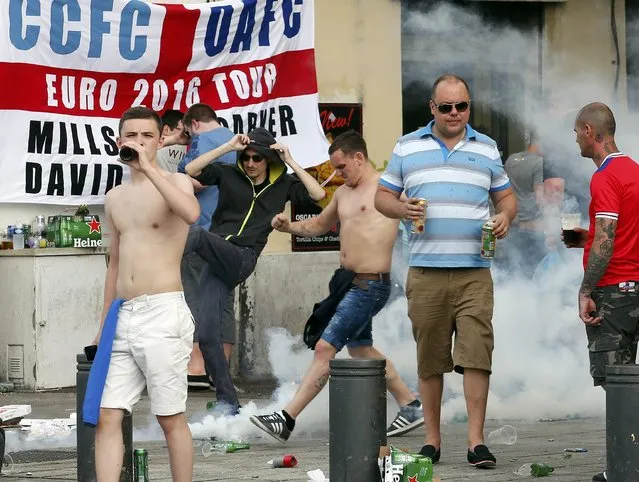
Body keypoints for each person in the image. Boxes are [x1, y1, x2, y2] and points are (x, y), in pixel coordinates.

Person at [375, 74, 517, 468]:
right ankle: (432, 441)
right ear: (432, 108)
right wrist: (402, 208)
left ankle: (476, 442)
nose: (455, 114)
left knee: (477, 355)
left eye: (462, 106)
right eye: (446, 107)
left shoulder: (487, 148)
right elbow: (382, 197)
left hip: (475, 270)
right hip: (425, 270)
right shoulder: (407, 145)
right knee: (431, 358)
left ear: (469, 106)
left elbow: (506, 197)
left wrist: (505, 216)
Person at [249, 131, 424, 442]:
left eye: (342, 167)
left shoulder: (387, 189)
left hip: (371, 285)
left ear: (359, 158)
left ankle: (286, 418)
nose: (338, 174)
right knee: (360, 349)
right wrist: (289, 226)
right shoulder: (344, 193)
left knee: (325, 348)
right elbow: (318, 225)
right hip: (348, 283)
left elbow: (418, 211)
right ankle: (410, 404)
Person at [91, 106, 200, 482]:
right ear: (119, 141)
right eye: (131, 136)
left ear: (160, 140)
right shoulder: (114, 197)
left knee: (170, 416)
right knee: (107, 414)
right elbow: (115, 264)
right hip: (125, 313)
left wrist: (151, 169)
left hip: (163, 310)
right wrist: (103, 323)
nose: (138, 142)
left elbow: (191, 213)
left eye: (147, 136)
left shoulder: (177, 182)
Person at [183, 127, 326, 413]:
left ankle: (154, 261)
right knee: (209, 333)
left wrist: (291, 161)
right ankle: (229, 406)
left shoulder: (283, 184)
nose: (249, 163)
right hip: (216, 260)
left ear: (268, 160)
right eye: (246, 157)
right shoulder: (228, 173)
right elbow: (191, 169)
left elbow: (318, 193)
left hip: (242, 257)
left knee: (195, 234)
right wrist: (227, 148)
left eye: (256, 158)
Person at [564, 103, 639, 482]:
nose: (575, 137)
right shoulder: (635, 172)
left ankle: (623, 470)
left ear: (591, 131)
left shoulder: (605, 176)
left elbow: (608, 243)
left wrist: (585, 290)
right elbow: (619, 234)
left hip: (614, 293)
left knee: (617, 384)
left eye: (577, 131)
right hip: (636, 288)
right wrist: (586, 238)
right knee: (630, 381)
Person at [177, 104, 237, 391]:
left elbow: (192, 179)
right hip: (231, 233)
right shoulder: (237, 142)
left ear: (194, 124)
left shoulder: (200, 141)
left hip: (202, 229)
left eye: (186, 132)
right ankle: (221, 370)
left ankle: (197, 367)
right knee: (223, 300)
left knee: (195, 295)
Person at [500, 134, 546, 277]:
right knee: (531, 270)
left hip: (512, 223)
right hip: (530, 226)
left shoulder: (511, 159)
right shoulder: (540, 163)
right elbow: (540, 196)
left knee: (513, 268)